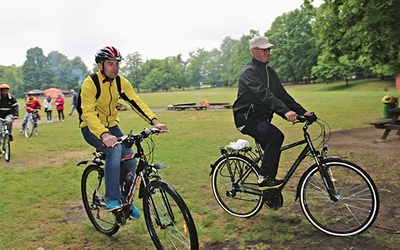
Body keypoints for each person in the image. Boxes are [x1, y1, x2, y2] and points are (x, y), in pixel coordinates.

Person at [79, 46, 167, 218]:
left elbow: (136, 101)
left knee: (131, 159)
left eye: (117, 63)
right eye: (110, 64)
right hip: (91, 128)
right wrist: (104, 134)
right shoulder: (90, 83)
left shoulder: (120, 82)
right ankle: (112, 198)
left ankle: (126, 201)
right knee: (114, 149)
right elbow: (88, 113)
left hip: (112, 126)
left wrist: (154, 121)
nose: (115, 67)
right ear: (100, 65)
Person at [233, 36, 312, 190]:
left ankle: (269, 189)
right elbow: (264, 94)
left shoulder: (269, 72)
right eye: (264, 49)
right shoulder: (249, 72)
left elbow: (282, 95)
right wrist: (285, 111)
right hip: (246, 119)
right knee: (275, 137)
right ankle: (264, 178)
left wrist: (303, 112)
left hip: (261, 120)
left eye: (269, 49)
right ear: (254, 51)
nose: (268, 52)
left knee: (272, 149)